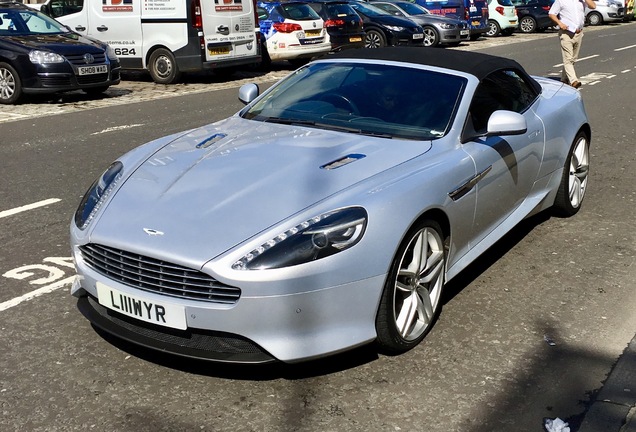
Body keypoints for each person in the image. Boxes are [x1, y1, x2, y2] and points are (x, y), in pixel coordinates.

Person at [549, 0, 596, 89]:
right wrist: (560, 23)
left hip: (579, 33)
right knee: (568, 59)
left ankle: (564, 79)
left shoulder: (581, 1)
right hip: (566, 33)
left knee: (573, 59)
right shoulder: (561, 1)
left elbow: (593, 6)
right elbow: (551, 14)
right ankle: (573, 80)